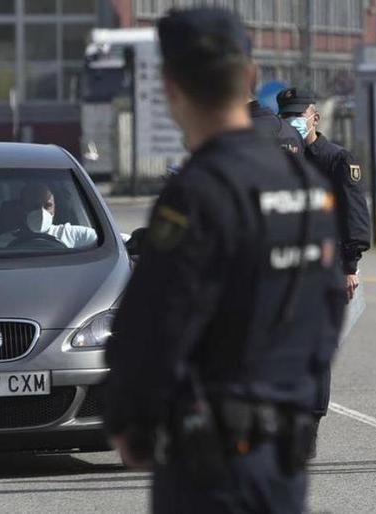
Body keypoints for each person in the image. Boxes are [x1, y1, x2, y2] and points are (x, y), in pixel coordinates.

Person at [103, 8, 344, 512]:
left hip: (210, 459)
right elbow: (326, 314)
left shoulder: (198, 192)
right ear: (251, 76)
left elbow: (156, 322)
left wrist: (130, 420)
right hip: (284, 454)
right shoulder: (307, 185)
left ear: (171, 87)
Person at [277, 87, 373, 454]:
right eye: (286, 116)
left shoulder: (336, 159)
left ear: (315, 118)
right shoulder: (278, 157)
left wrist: (351, 265)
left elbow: (354, 216)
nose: (292, 122)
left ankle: (310, 425)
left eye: (298, 115)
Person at [20, 183, 98, 249]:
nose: (42, 211)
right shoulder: (12, 241)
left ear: (54, 208)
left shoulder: (74, 235)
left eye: (48, 205)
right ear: (23, 208)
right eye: (35, 206)